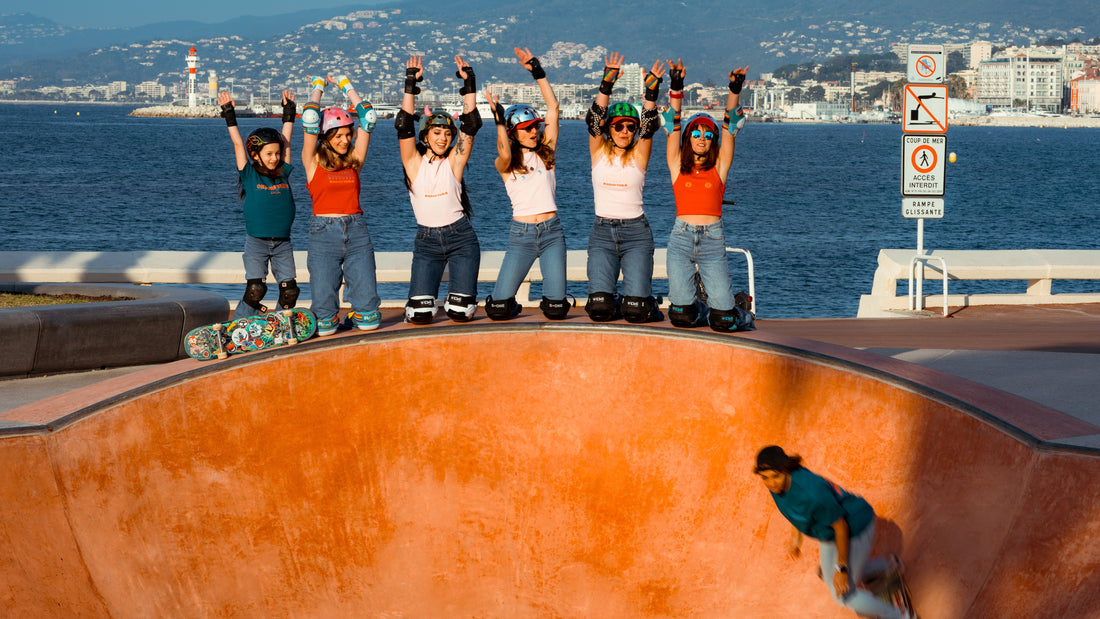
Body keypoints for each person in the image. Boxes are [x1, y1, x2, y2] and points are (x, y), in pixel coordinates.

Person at [754, 446, 912, 619]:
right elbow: (795, 510)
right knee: (830, 578)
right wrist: (795, 539)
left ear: (786, 469)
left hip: (856, 527)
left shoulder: (812, 493)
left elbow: (841, 526)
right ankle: (888, 565)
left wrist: (842, 568)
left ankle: (899, 615)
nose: (771, 483)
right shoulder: (778, 487)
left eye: (775, 476)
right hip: (829, 533)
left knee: (844, 595)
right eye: (765, 478)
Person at [662, 60, 754, 332]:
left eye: (707, 135)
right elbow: (672, 124)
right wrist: (676, 85)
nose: (701, 138)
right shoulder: (677, 165)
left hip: (712, 240)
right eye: (695, 133)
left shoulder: (719, 168)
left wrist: (734, 89)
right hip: (680, 238)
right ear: (688, 138)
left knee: (724, 321)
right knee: (680, 315)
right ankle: (700, 309)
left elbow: (729, 127)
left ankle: (742, 315)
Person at [482, 47, 570, 321]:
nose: (534, 131)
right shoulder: (506, 164)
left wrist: (537, 72)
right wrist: (498, 119)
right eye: (527, 128)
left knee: (556, 309)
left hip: (552, 232)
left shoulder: (546, 152)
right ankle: (509, 307)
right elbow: (503, 149)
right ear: (513, 133)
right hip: (521, 236)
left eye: (535, 126)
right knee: (498, 309)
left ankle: (551, 306)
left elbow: (553, 108)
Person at [396, 55, 482, 324]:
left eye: (447, 133)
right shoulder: (413, 163)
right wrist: (410, 84)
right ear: (425, 136)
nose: (443, 138)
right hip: (427, 243)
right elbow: (404, 125)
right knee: (419, 315)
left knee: (460, 312)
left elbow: (470, 125)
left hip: (461, 238)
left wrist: (470, 83)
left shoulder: (455, 161)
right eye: (436, 133)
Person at [583, 53, 664, 323]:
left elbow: (649, 125)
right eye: (618, 126)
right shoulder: (598, 152)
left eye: (630, 127)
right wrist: (606, 83)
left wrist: (651, 92)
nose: (625, 131)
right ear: (610, 129)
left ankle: (643, 303)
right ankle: (615, 300)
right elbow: (595, 119)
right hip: (602, 233)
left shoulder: (639, 154)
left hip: (636, 233)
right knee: (599, 310)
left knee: (636, 313)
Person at [300, 73, 381, 335]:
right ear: (325, 137)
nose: (345, 140)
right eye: (338, 136)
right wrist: (318, 86)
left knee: (369, 321)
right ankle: (327, 317)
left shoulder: (354, 160)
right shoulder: (312, 161)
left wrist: (346, 85)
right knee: (325, 325)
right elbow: (310, 118)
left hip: (357, 231)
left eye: (348, 135)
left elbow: (368, 117)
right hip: (323, 234)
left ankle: (359, 315)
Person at [217, 89, 300, 320]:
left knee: (290, 292)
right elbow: (237, 144)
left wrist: (289, 113)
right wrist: (229, 114)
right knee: (256, 290)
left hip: (283, 243)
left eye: (277, 154)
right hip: (257, 242)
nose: (275, 158)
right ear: (255, 155)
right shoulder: (249, 174)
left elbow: (286, 142)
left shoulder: (283, 172)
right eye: (269, 154)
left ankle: (278, 324)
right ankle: (239, 324)